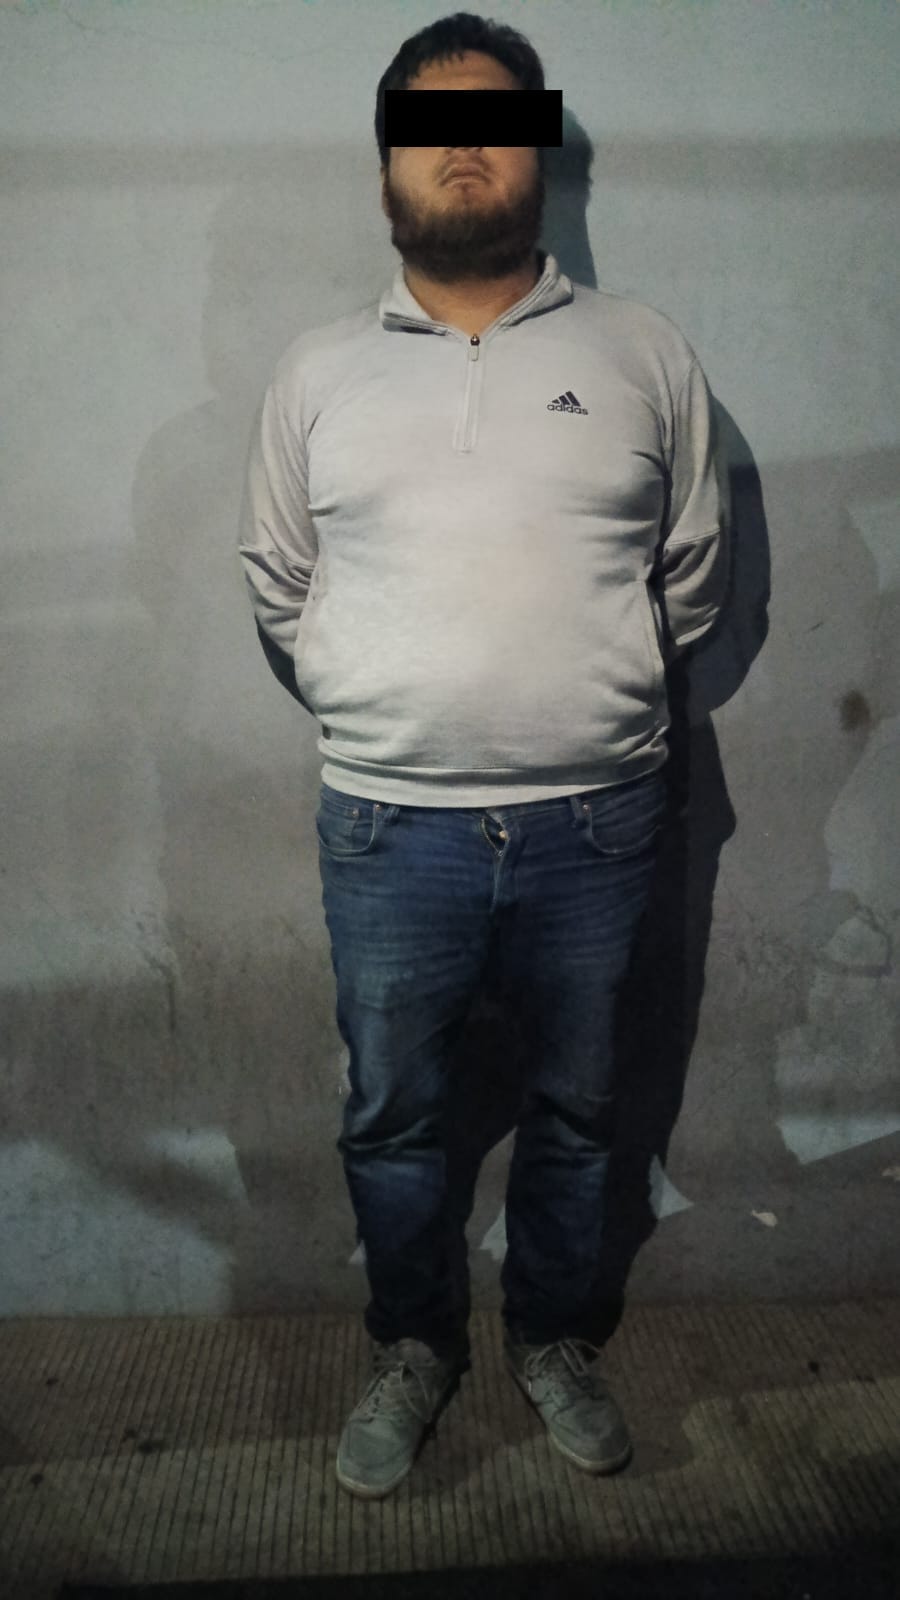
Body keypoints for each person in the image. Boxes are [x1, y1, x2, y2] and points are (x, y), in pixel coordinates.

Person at [238, 18, 728, 1502]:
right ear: (385, 165)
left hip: (598, 824)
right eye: (427, 124)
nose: (463, 145)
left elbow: (690, 575)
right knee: (392, 1114)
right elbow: (279, 581)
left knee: (582, 1106)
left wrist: (589, 693)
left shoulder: (642, 352)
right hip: (393, 828)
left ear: (542, 154)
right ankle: (415, 1344)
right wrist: (379, 693)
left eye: (498, 121)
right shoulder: (318, 372)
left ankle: (554, 1335)